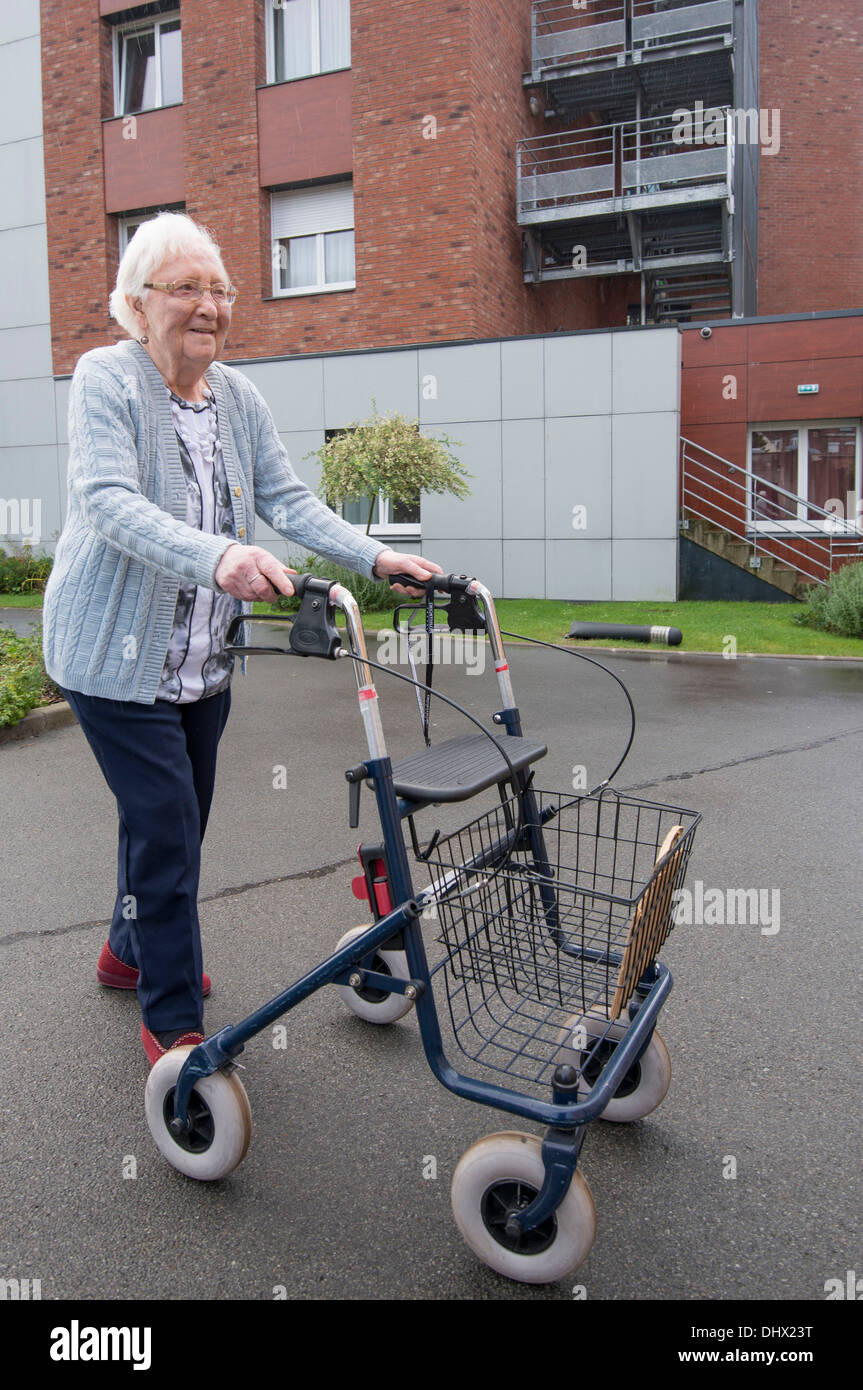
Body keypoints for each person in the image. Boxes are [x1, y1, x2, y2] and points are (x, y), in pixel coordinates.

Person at [42, 212, 442, 1066]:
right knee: (166, 828)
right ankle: (175, 1028)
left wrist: (378, 556)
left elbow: (288, 502)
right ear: (136, 301)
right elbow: (106, 502)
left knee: (172, 825)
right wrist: (219, 556)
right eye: (185, 288)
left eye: (218, 289)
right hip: (110, 657)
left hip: (199, 662)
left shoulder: (237, 397)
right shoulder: (105, 378)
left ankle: (126, 952)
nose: (208, 306)